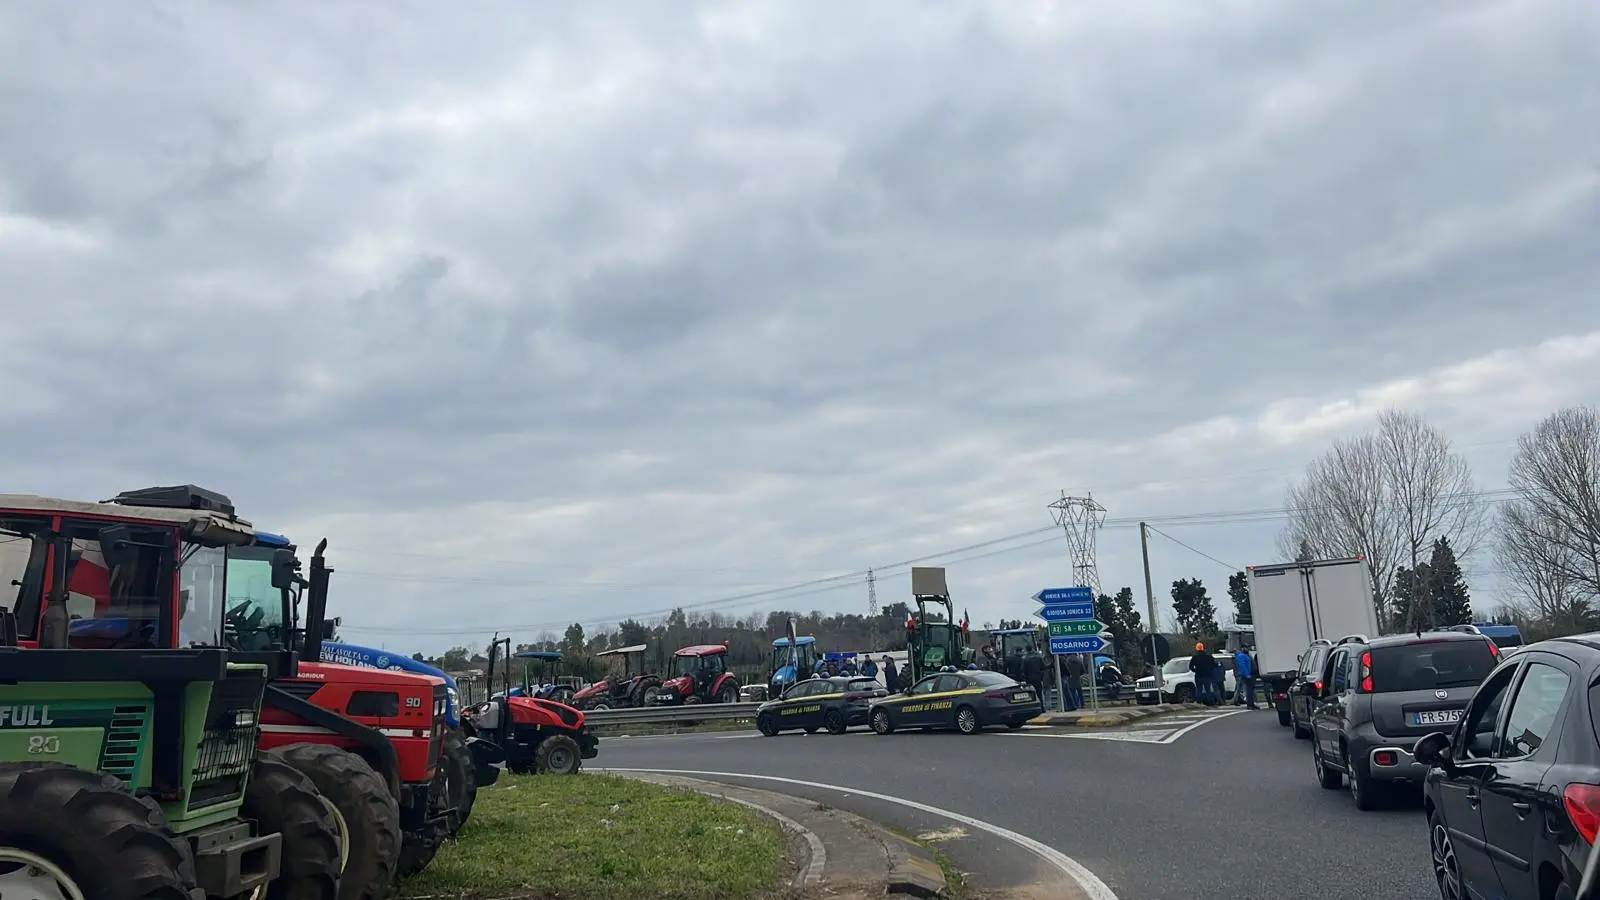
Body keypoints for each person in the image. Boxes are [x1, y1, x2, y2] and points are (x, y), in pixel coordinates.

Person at [1188, 642, 1218, 706]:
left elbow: (1190, 667)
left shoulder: (1195, 657)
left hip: (1198, 676)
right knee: (1208, 690)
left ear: (1196, 649)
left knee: (1199, 689)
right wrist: (1210, 671)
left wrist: (1195, 670)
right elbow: (1214, 665)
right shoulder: (1208, 656)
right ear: (1203, 648)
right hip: (1207, 676)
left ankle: (1199, 702)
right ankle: (1211, 702)